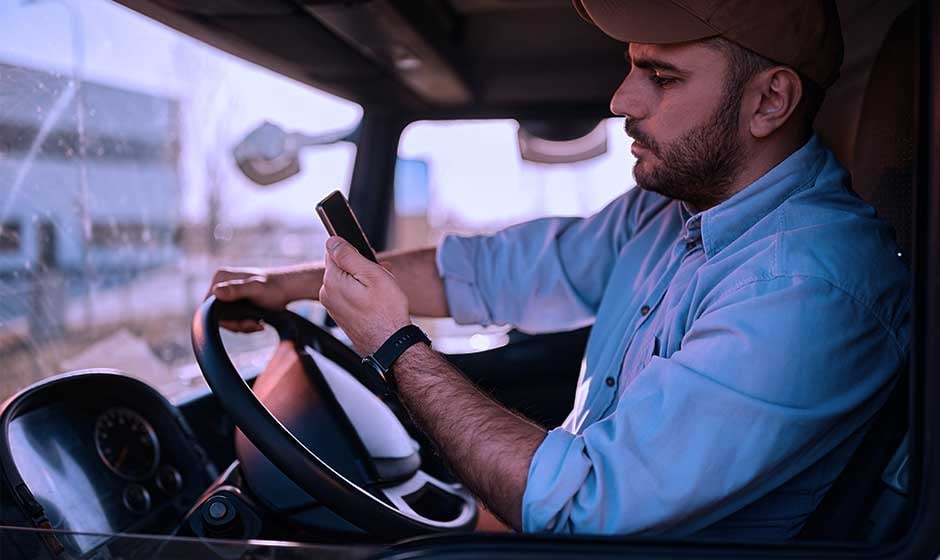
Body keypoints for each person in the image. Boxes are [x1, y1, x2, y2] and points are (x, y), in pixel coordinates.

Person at [208, 0, 910, 538]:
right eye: (633, 67)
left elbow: (580, 505)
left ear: (769, 102)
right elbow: (494, 271)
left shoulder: (806, 287)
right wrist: (297, 284)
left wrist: (394, 346)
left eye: (660, 77)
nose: (621, 101)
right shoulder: (668, 213)